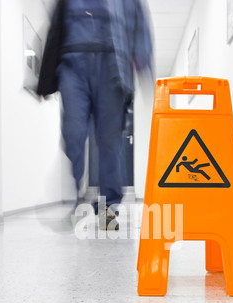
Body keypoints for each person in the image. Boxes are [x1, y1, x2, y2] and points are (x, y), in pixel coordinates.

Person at [37, 0, 153, 230]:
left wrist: (142, 60)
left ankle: (107, 210)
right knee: (73, 132)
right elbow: (55, 28)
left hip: (111, 63)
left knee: (109, 143)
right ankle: (76, 193)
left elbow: (140, 23)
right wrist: (45, 79)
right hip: (73, 64)